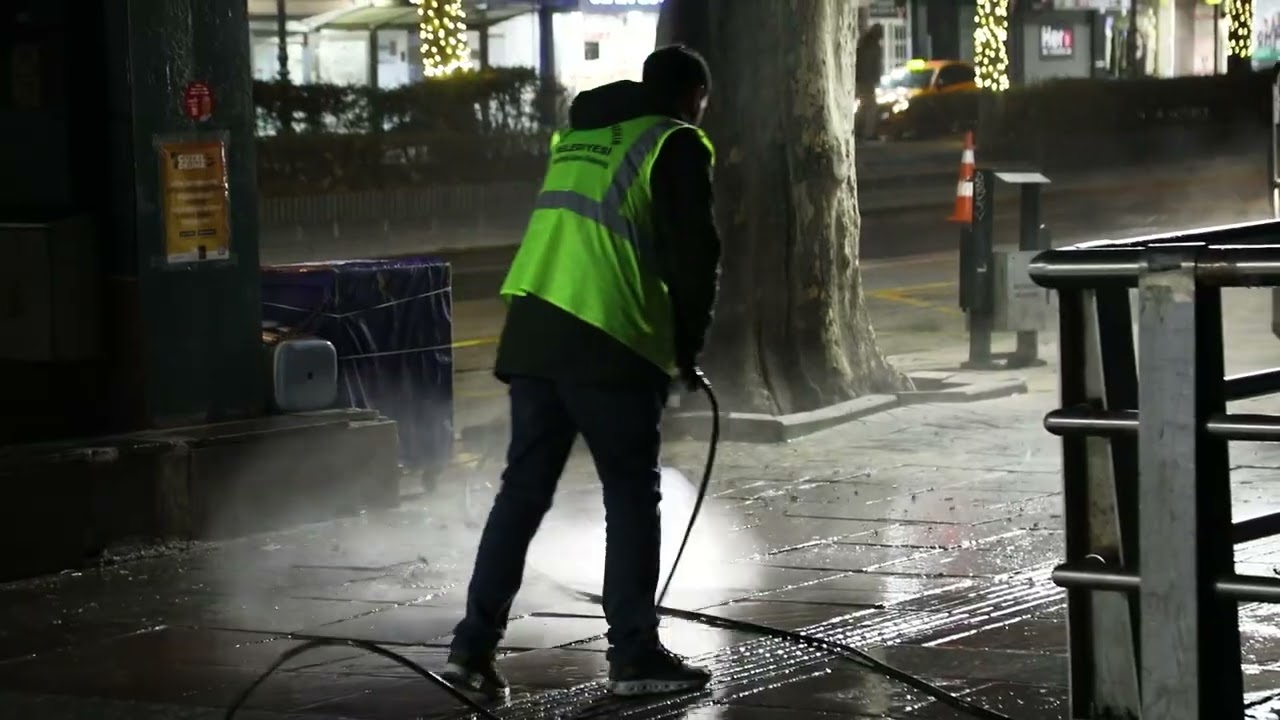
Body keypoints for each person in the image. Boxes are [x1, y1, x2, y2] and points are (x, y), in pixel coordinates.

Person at [439, 44, 723, 701]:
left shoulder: (580, 136)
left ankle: (471, 648)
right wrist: (687, 350)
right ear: (693, 97)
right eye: (702, 104)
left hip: (535, 330)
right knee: (630, 495)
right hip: (609, 335)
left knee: (522, 493)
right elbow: (695, 256)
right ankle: (634, 655)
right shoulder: (674, 141)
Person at [855, 23, 885, 140]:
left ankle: (859, 129)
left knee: (864, 107)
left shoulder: (863, 45)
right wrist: (876, 78)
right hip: (867, 80)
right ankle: (868, 133)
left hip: (862, 80)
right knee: (871, 107)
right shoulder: (873, 47)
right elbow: (875, 65)